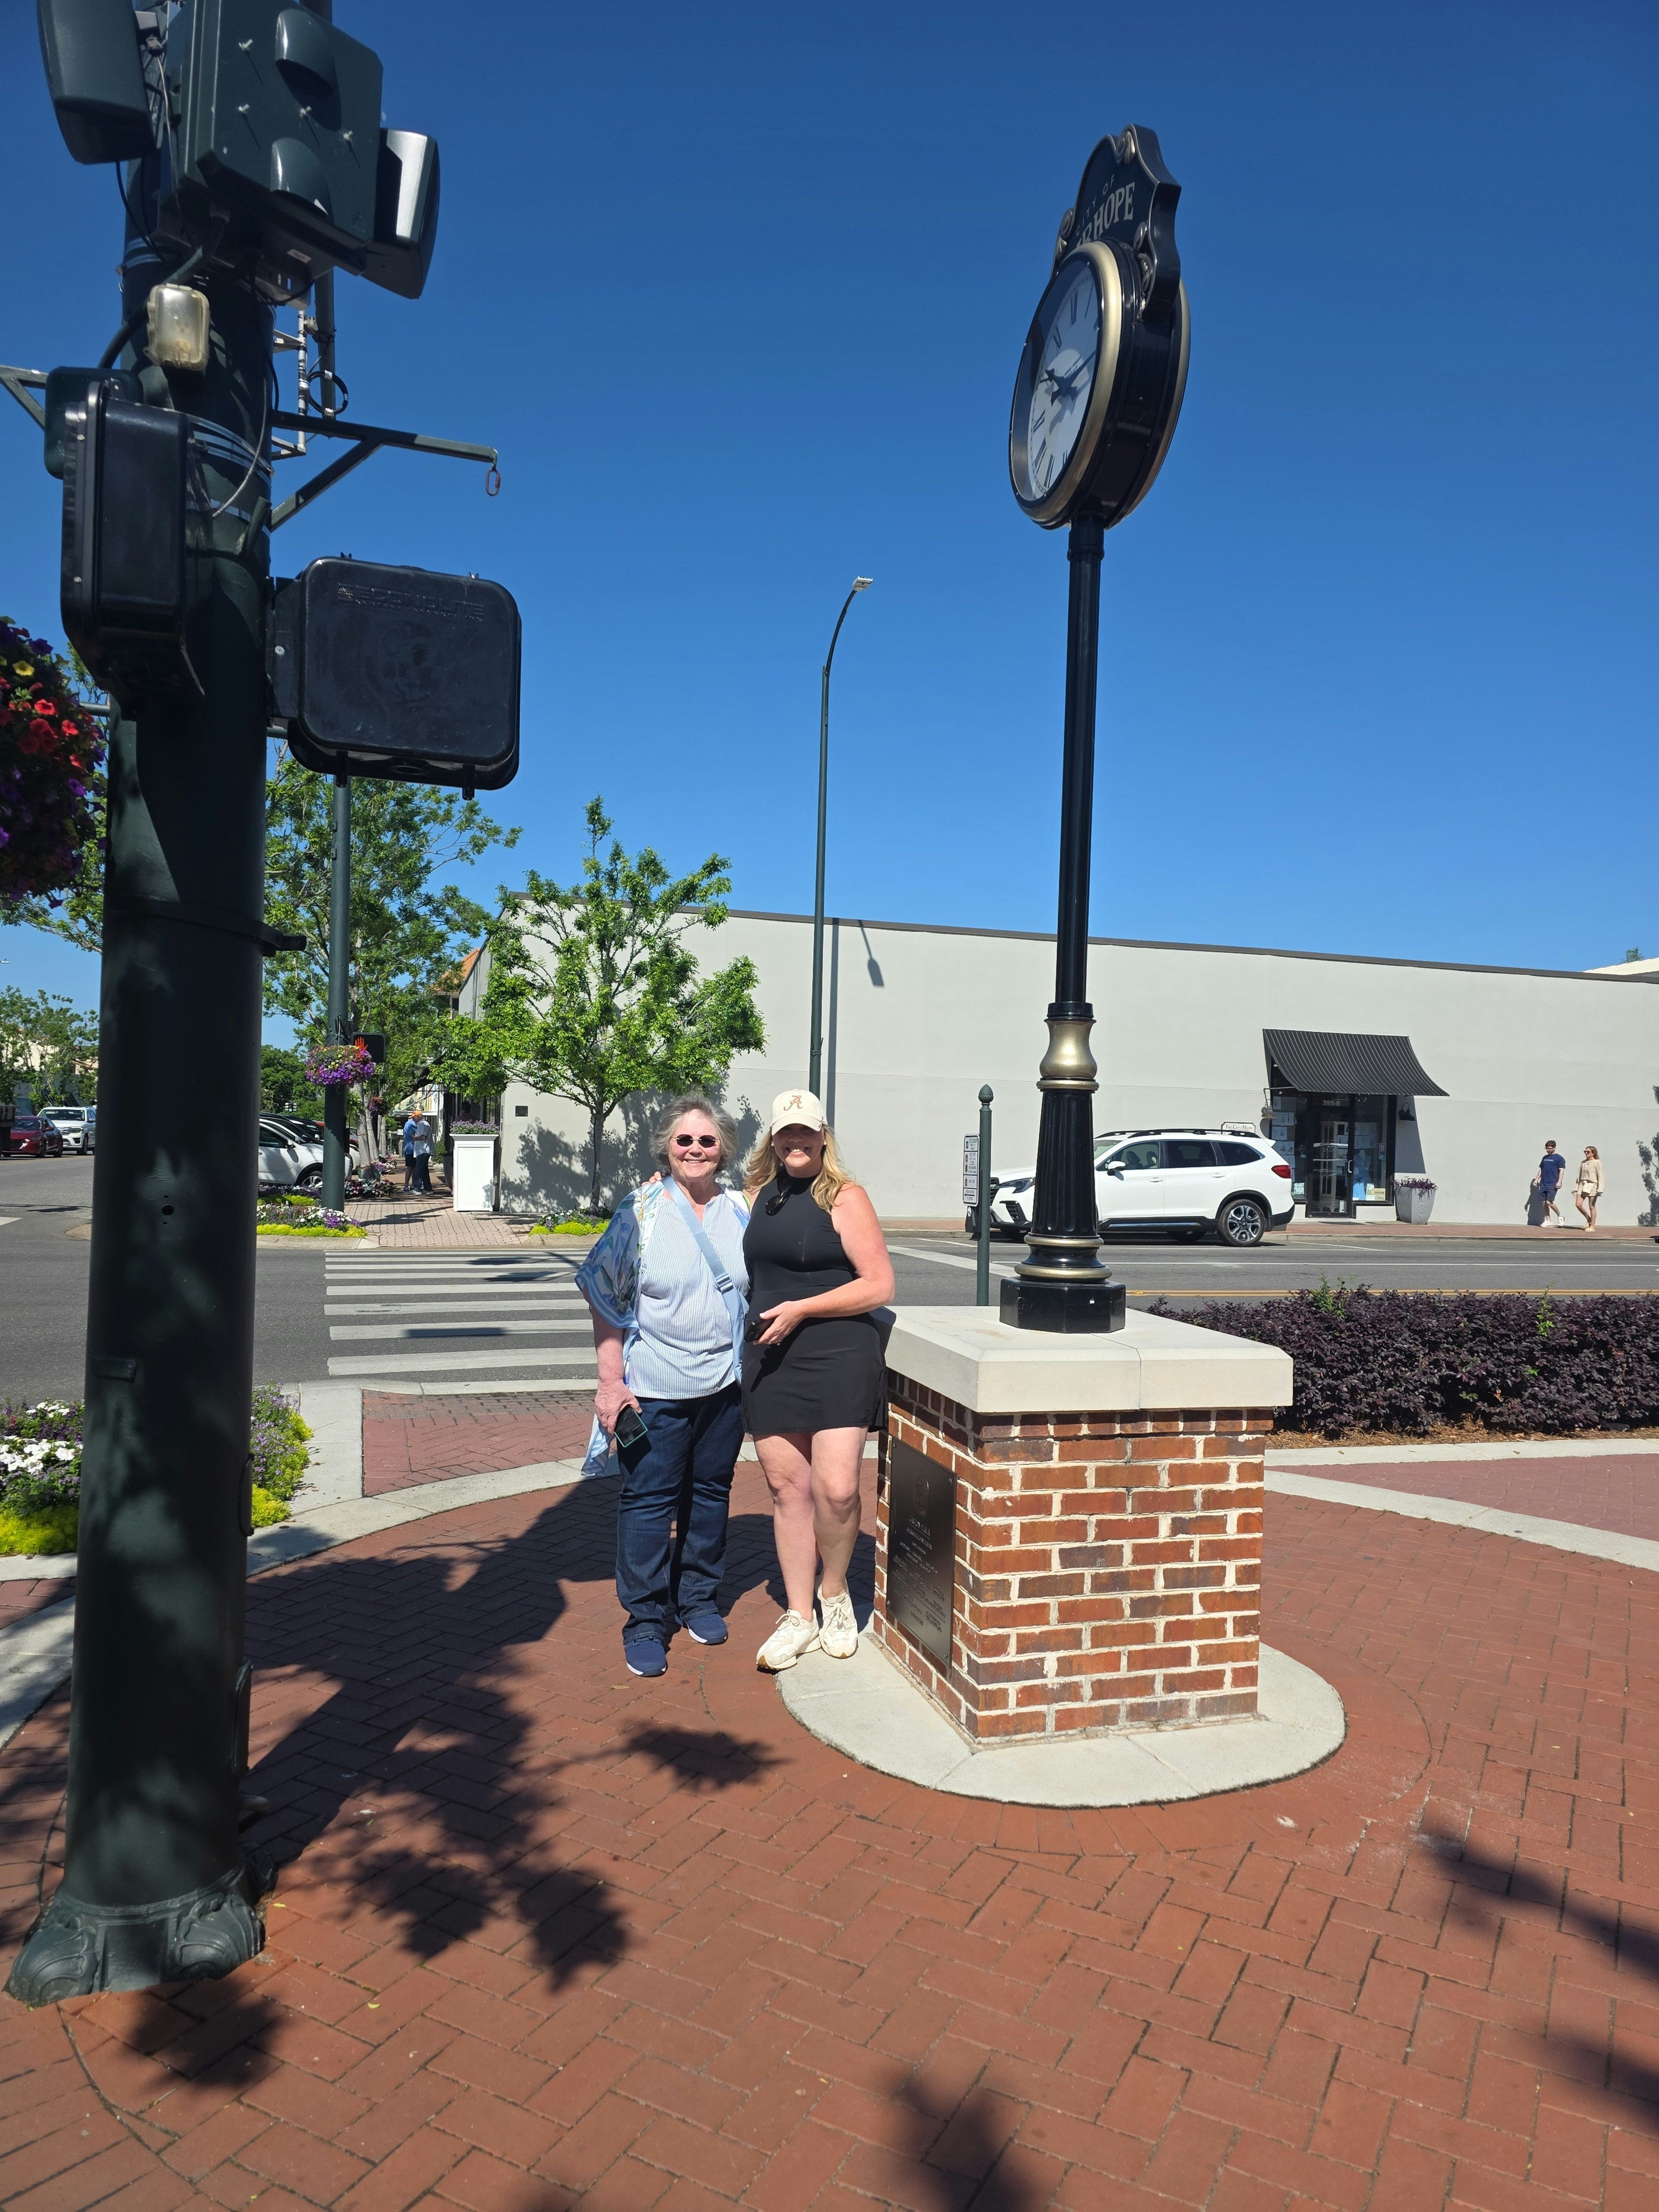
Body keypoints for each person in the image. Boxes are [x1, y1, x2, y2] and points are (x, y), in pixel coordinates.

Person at [575, 1096, 750, 1679]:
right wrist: (610, 1383)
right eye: (684, 1141)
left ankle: (697, 1598)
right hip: (654, 1388)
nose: (695, 1150)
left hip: (725, 1386)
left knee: (710, 1494)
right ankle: (646, 1619)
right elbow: (606, 1297)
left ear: (723, 1149)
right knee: (648, 1503)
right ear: (666, 1148)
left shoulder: (744, 1209)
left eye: (706, 1142)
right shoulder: (642, 1208)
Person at [741, 1089, 895, 1674]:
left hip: (837, 1355)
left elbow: (879, 1285)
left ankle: (835, 1595)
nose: (796, 1142)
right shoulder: (757, 1198)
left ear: (823, 1136)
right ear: (774, 1140)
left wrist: (804, 1309)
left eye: (806, 1132)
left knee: (836, 1490)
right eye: (786, 1133)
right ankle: (798, 1614)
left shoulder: (845, 1198)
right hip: (770, 1360)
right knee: (787, 1491)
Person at [402, 1109, 434, 1194]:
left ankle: (417, 1188)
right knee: (424, 1171)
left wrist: (415, 1138)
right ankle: (428, 1189)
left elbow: (423, 1137)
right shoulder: (421, 1124)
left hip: (423, 1150)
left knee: (419, 1170)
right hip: (422, 1150)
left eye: (414, 1118)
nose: (413, 1120)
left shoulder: (423, 1124)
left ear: (418, 1117)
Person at [1573, 1144, 1603, 1231]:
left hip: (1593, 1185)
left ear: (1593, 1153)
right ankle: (1589, 1219)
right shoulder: (1583, 1162)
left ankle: (1592, 1226)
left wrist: (1600, 1188)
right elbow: (1579, 1175)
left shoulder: (1598, 1163)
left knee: (1592, 1206)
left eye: (1588, 1152)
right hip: (1583, 1184)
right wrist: (1576, 1187)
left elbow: (1600, 1176)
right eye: (1585, 1152)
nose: (1586, 1153)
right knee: (1578, 1204)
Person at [1536, 1139, 1566, 1225]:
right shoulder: (1545, 1158)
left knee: (1549, 1201)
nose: (1548, 1150)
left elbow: (1561, 1170)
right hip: (1543, 1183)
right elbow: (1541, 1169)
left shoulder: (1559, 1158)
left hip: (1552, 1183)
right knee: (1544, 1202)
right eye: (1546, 1148)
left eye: (1549, 1148)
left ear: (1554, 1148)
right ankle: (1548, 1220)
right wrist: (1537, 1178)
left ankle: (1560, 1217)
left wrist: (1559, 1182)